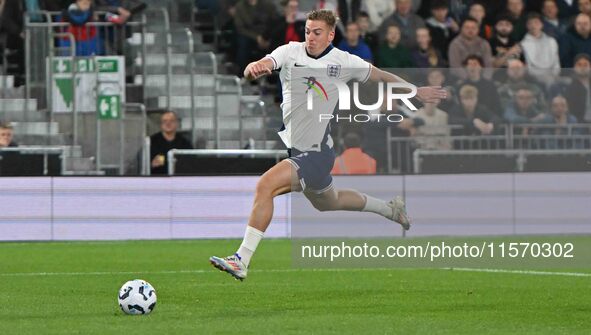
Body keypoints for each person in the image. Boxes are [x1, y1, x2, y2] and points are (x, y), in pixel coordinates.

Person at [209, 9, 446, 281]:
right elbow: (261, 65)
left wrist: (416, 90)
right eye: (308, 31)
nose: (310, 37)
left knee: (265, 185)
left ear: (331, 34)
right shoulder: (290, 52)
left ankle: (241, 259)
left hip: (317, 152)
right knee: (328, 202)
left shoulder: (343, 61)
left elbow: (381, 76)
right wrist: (253, 68)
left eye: (317, 32)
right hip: (299, 150)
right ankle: (390, 209)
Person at [520, 13, 560, 83]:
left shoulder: (552, 41)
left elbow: (556, 62)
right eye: (530, 23)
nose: (533, 26)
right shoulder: (523, 44)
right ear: (527, 26)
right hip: (535, 78)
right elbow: (529, 67)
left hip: (554, 76)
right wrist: (544, 76)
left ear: (542, 24)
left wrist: (554, 74)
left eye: (536, 22)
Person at [150, 111, 193, 175]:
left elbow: (192, 163)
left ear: (177, 123)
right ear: (161, 124)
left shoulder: (184, 143)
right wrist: (151, 165)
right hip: (157, 180)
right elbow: (139, 164)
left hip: (179, 179)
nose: (168, 123)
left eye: (171, 121)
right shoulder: (151, 142)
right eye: (165, 121)